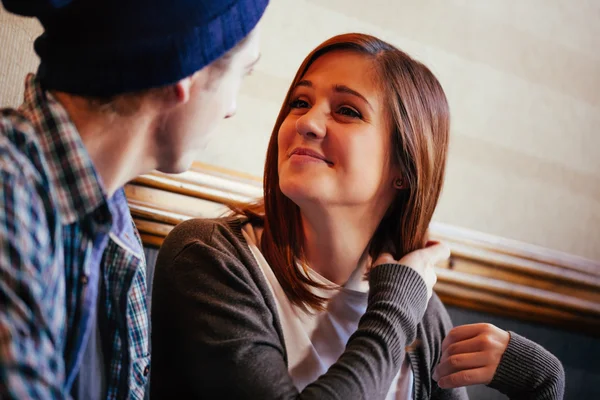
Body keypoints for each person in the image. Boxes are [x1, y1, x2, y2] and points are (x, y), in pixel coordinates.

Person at [151, 33, 565, 399]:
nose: (308, 122)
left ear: (404, 167)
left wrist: (541, 383)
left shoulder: (420, 309)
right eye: (300, 102)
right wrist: (396, 309)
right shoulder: (208, 257)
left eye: (347, 111)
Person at [0, 0, 268, 398]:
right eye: (241, 74)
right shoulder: (9, 195)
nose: (230, 110)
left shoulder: (115, 228)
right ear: (188, 72)